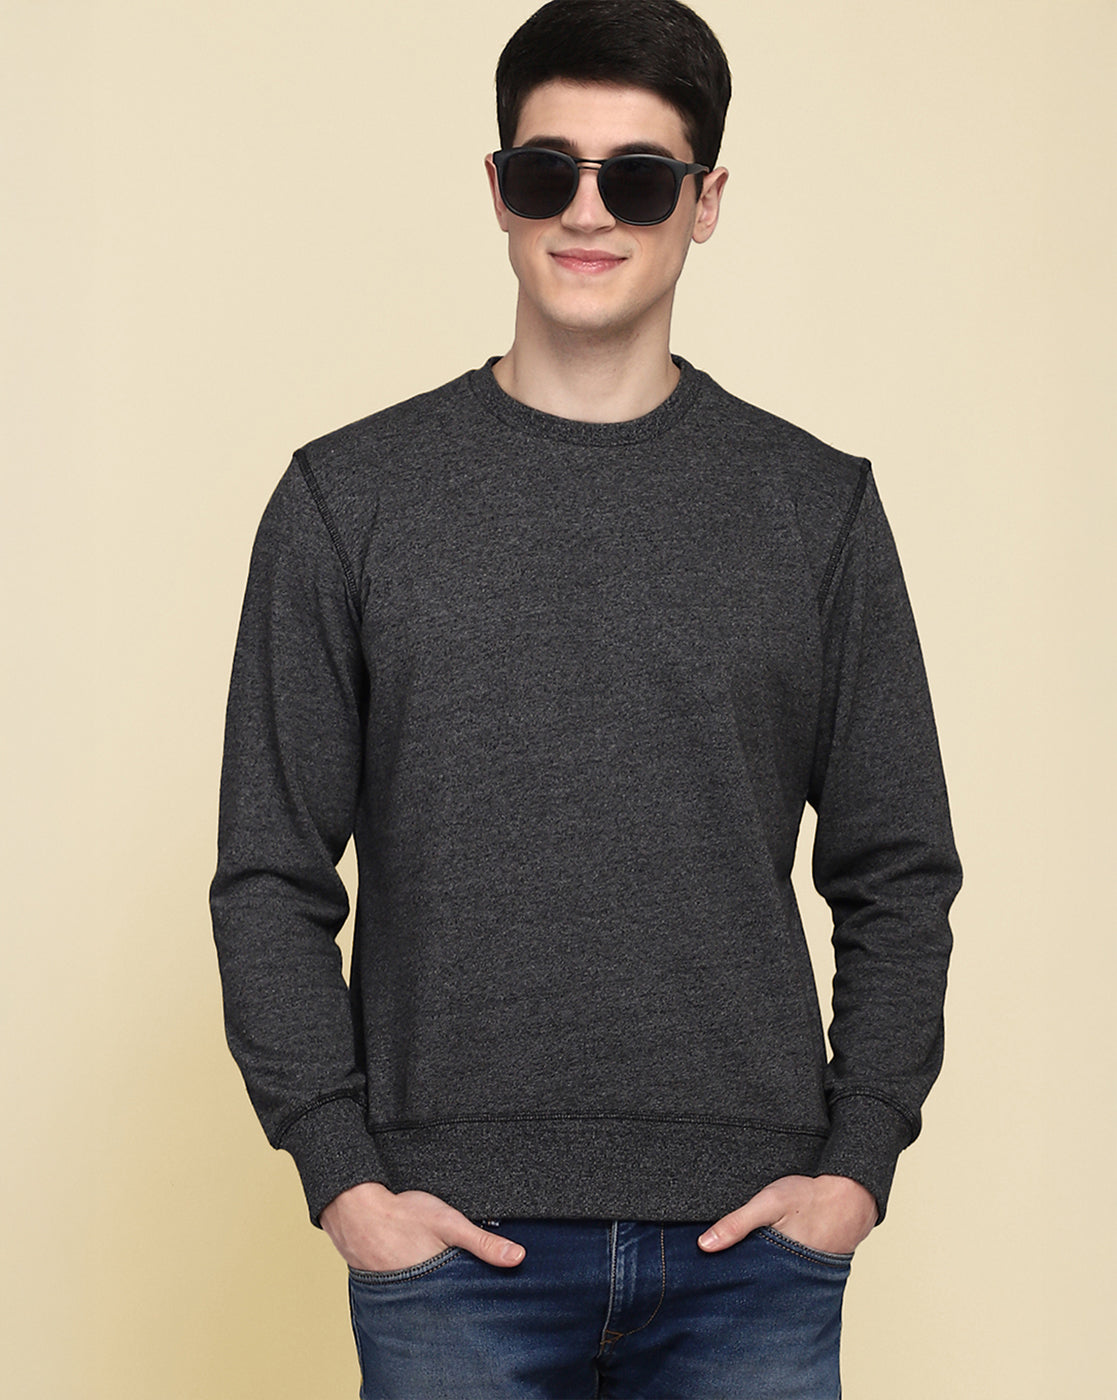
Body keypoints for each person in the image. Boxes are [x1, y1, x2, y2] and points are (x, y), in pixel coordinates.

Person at [210, 1, 962, 1395]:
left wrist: (856, 1163)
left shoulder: (814, 510)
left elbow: (899, 868)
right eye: (548, 170)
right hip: (447, 1251)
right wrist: (343, 1175)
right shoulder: (347, 499)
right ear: (498, 189)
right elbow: (269, 872)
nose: (588, 211)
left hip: (751, 1256)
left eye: (640, 178)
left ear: (706, 202)